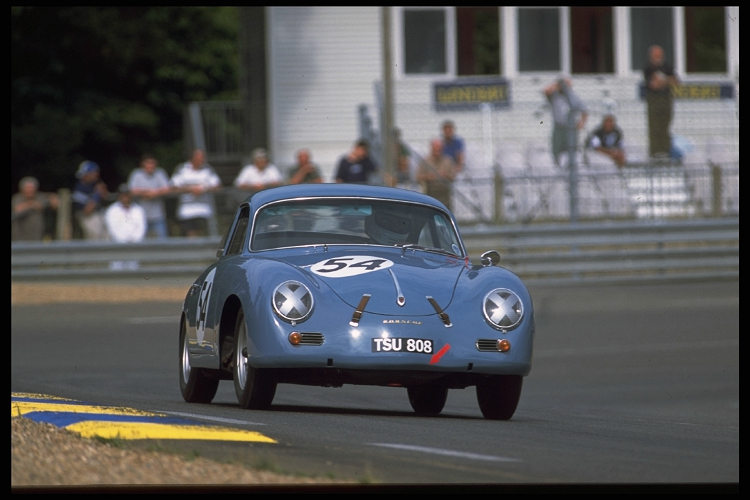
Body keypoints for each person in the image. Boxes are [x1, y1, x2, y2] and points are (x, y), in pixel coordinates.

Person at [170, 149, 221, 238]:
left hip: (205, 210)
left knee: (206, 236)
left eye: (202, 158)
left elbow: (217, 186)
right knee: (191, 237)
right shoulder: (182, 169)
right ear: (192, 158)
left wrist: (203, 189)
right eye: (199, 158)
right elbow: (173, 187)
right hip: (187, 211)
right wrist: (190, 189)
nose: (202, 160)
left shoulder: (208, 169)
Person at [643, 44, 679, 159]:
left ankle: (665, 151)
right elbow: (653, 84)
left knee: (665, 125)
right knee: (654, 126)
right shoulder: (648, 68)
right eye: (655, 55)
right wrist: (666, 80)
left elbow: (675, 81)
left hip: (666, 99)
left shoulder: (667, 66)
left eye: (659, 55)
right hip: (653, 100)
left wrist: (662, 80)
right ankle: (655, 152)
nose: (658, 57)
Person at [544, 77, 588, 167]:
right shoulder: (554, 96)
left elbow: (584, 111)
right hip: (559, 127)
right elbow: (546, 91)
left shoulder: (573, 97)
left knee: (572, 149)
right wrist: (557, 84)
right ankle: (557, 165)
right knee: (556, 149)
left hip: (571, 128)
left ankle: (571, 168)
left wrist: (581, 123)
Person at [127, 153, 171, 238]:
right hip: (140, 216)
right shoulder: (136, 174)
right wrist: (147, 192)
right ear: (143, 164)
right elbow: (132, 191)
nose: (150, 165)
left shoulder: (160, 173)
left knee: (163, 242)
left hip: (158, 216)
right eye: (148, 163)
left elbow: (167, 189)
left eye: (152, 163)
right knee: (141, 243)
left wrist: (155, 193)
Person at [11, 176, 59, 242]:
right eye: (28, 188)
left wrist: (53, 197)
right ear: (22, 189)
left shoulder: (39, 197)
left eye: (32, 188)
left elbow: (53, 200)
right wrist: (33, 205)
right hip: (19, 237)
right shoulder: (17, 198)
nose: (30, 190)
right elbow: (18, 209)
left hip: (37, 236)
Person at [71, 160, 110, 240]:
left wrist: (103, 191)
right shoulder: (79, 189)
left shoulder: (95, 184)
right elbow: (86, 211)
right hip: (87, 218)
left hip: (100, 215)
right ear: (87, 174)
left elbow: (106, 197)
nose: (96, 175)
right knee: (95, 238)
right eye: (94, 173)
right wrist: (97, 195)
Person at [416, 138, 459, 210]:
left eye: (439, 149)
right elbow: (417, 177)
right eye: (435, 149)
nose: (437, 151)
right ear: (431, 149)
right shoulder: (425, 161)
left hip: (445, 199)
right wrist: (428, 177)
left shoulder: (448, 161)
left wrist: (446, 175)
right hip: (430, 197)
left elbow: (453, 177)